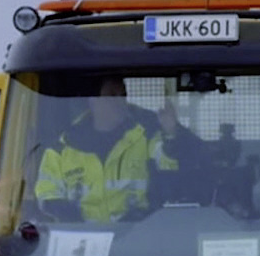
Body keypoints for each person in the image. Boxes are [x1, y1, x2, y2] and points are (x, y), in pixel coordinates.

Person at [34, 76, 201, 222]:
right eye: (112, 95)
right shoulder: (62, 148)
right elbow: (47, 194)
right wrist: (71, 220)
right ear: (93, 100)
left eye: (123, 95)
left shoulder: (145, 137)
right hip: (83, 246)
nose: (120, 101)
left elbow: (172, 165)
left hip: (137, 240)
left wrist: (171, 132)